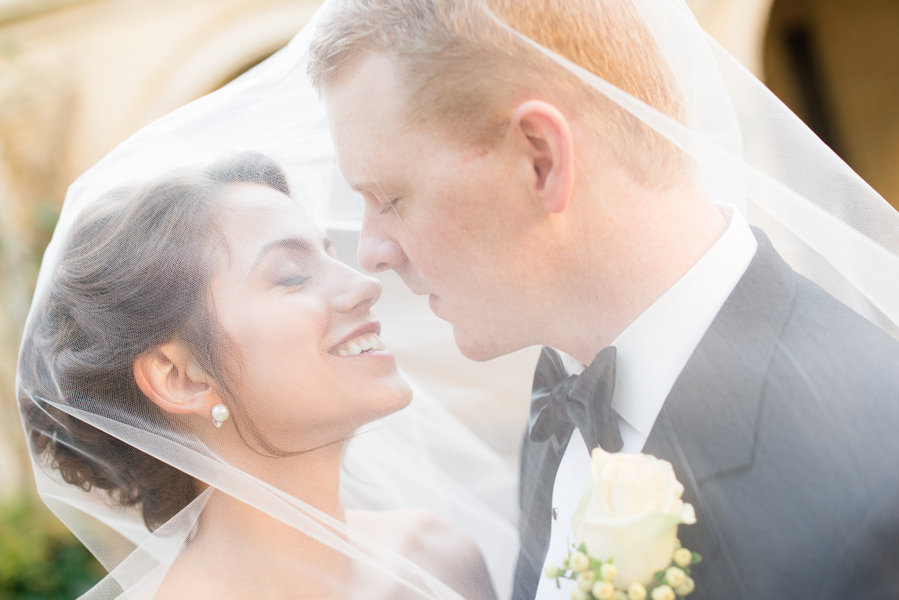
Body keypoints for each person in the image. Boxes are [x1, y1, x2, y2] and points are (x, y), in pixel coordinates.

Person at [307, 0, 899, 598]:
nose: (373, 252)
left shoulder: (875, 485)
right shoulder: (564, 408)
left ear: (541, 159)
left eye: (390, 197)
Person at [17, 151, 500, 599]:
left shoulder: (438, 558)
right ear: (179, 376)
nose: (365, 284)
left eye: (331, 255)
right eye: (292, 275)